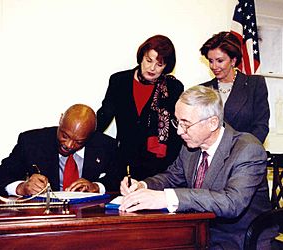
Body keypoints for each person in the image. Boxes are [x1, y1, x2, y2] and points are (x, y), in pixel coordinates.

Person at [119, 86, 276, 249]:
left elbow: (231, 203)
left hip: (239, 239)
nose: (179, 131)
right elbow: (172, 177)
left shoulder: (247, 150)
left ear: (213, 123)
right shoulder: (190, 147)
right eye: (177, 122)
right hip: (198, 231)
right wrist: (142, 185)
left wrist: (166, 198)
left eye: (186, 124)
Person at [96, 35, 184, 181]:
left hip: (159, 166)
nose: (152, 68)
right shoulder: (119, 81)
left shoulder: (173, 88)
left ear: (167, 66)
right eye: (149, 60)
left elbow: (177, 128)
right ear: (141, 57)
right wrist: (82, 132)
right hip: (124, 163)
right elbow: (104, 117)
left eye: (159, 64)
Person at [0, 104, 119, 196]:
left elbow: (120, 178)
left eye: (78, 142)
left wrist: (97, 187)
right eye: (64, 135)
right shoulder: (32, 142)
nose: (68, 145)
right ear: (61, 119)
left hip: (88, 217)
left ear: (90, 136)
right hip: (45, 218)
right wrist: (22, 188)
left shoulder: (105, 145)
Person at [200, 31, 270, 144]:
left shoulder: (255, 84)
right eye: (210, 61)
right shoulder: (203, 90)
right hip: (211, 157)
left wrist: (242, 152)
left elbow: (261, 127)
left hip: (244, 154)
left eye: (220, 61)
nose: (214, 66)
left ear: (233, 61)